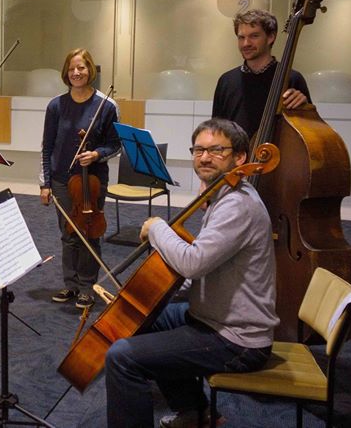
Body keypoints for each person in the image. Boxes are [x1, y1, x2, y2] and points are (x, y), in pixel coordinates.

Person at [104, 118, 279, 428]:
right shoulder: (222, 196)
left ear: (240, 158)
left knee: (122, 357)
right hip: (213, 315)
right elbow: (207, 264)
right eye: (198, 150)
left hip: (237, 339)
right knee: (142, 319)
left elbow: (193, 262)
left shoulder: (237, 205)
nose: (205, 157)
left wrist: (157, 227)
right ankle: (194, 413)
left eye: (216, 150)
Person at [39, 48, 120, 309]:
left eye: (82, 67)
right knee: (68, 232)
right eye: (72, 68)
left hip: (93, 179)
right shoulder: (56, 106)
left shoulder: (106, 106)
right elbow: (47, 146)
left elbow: (115, 145)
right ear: (66, 71)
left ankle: (88, 286)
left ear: (90, 70)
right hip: (63, 179)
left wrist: (97, 153)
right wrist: (45, 183)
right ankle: (70, 284)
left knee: (90, 231)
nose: (77, 72)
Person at [212, 9, 310, 140]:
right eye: (241, 37)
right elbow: (217, 130)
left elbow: (307, 129)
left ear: (270, 37)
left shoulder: (291, 78)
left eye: (254, 36)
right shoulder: (226, 80)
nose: (246, 43)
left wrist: (305, 107)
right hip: (237, 159)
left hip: (278, 158)